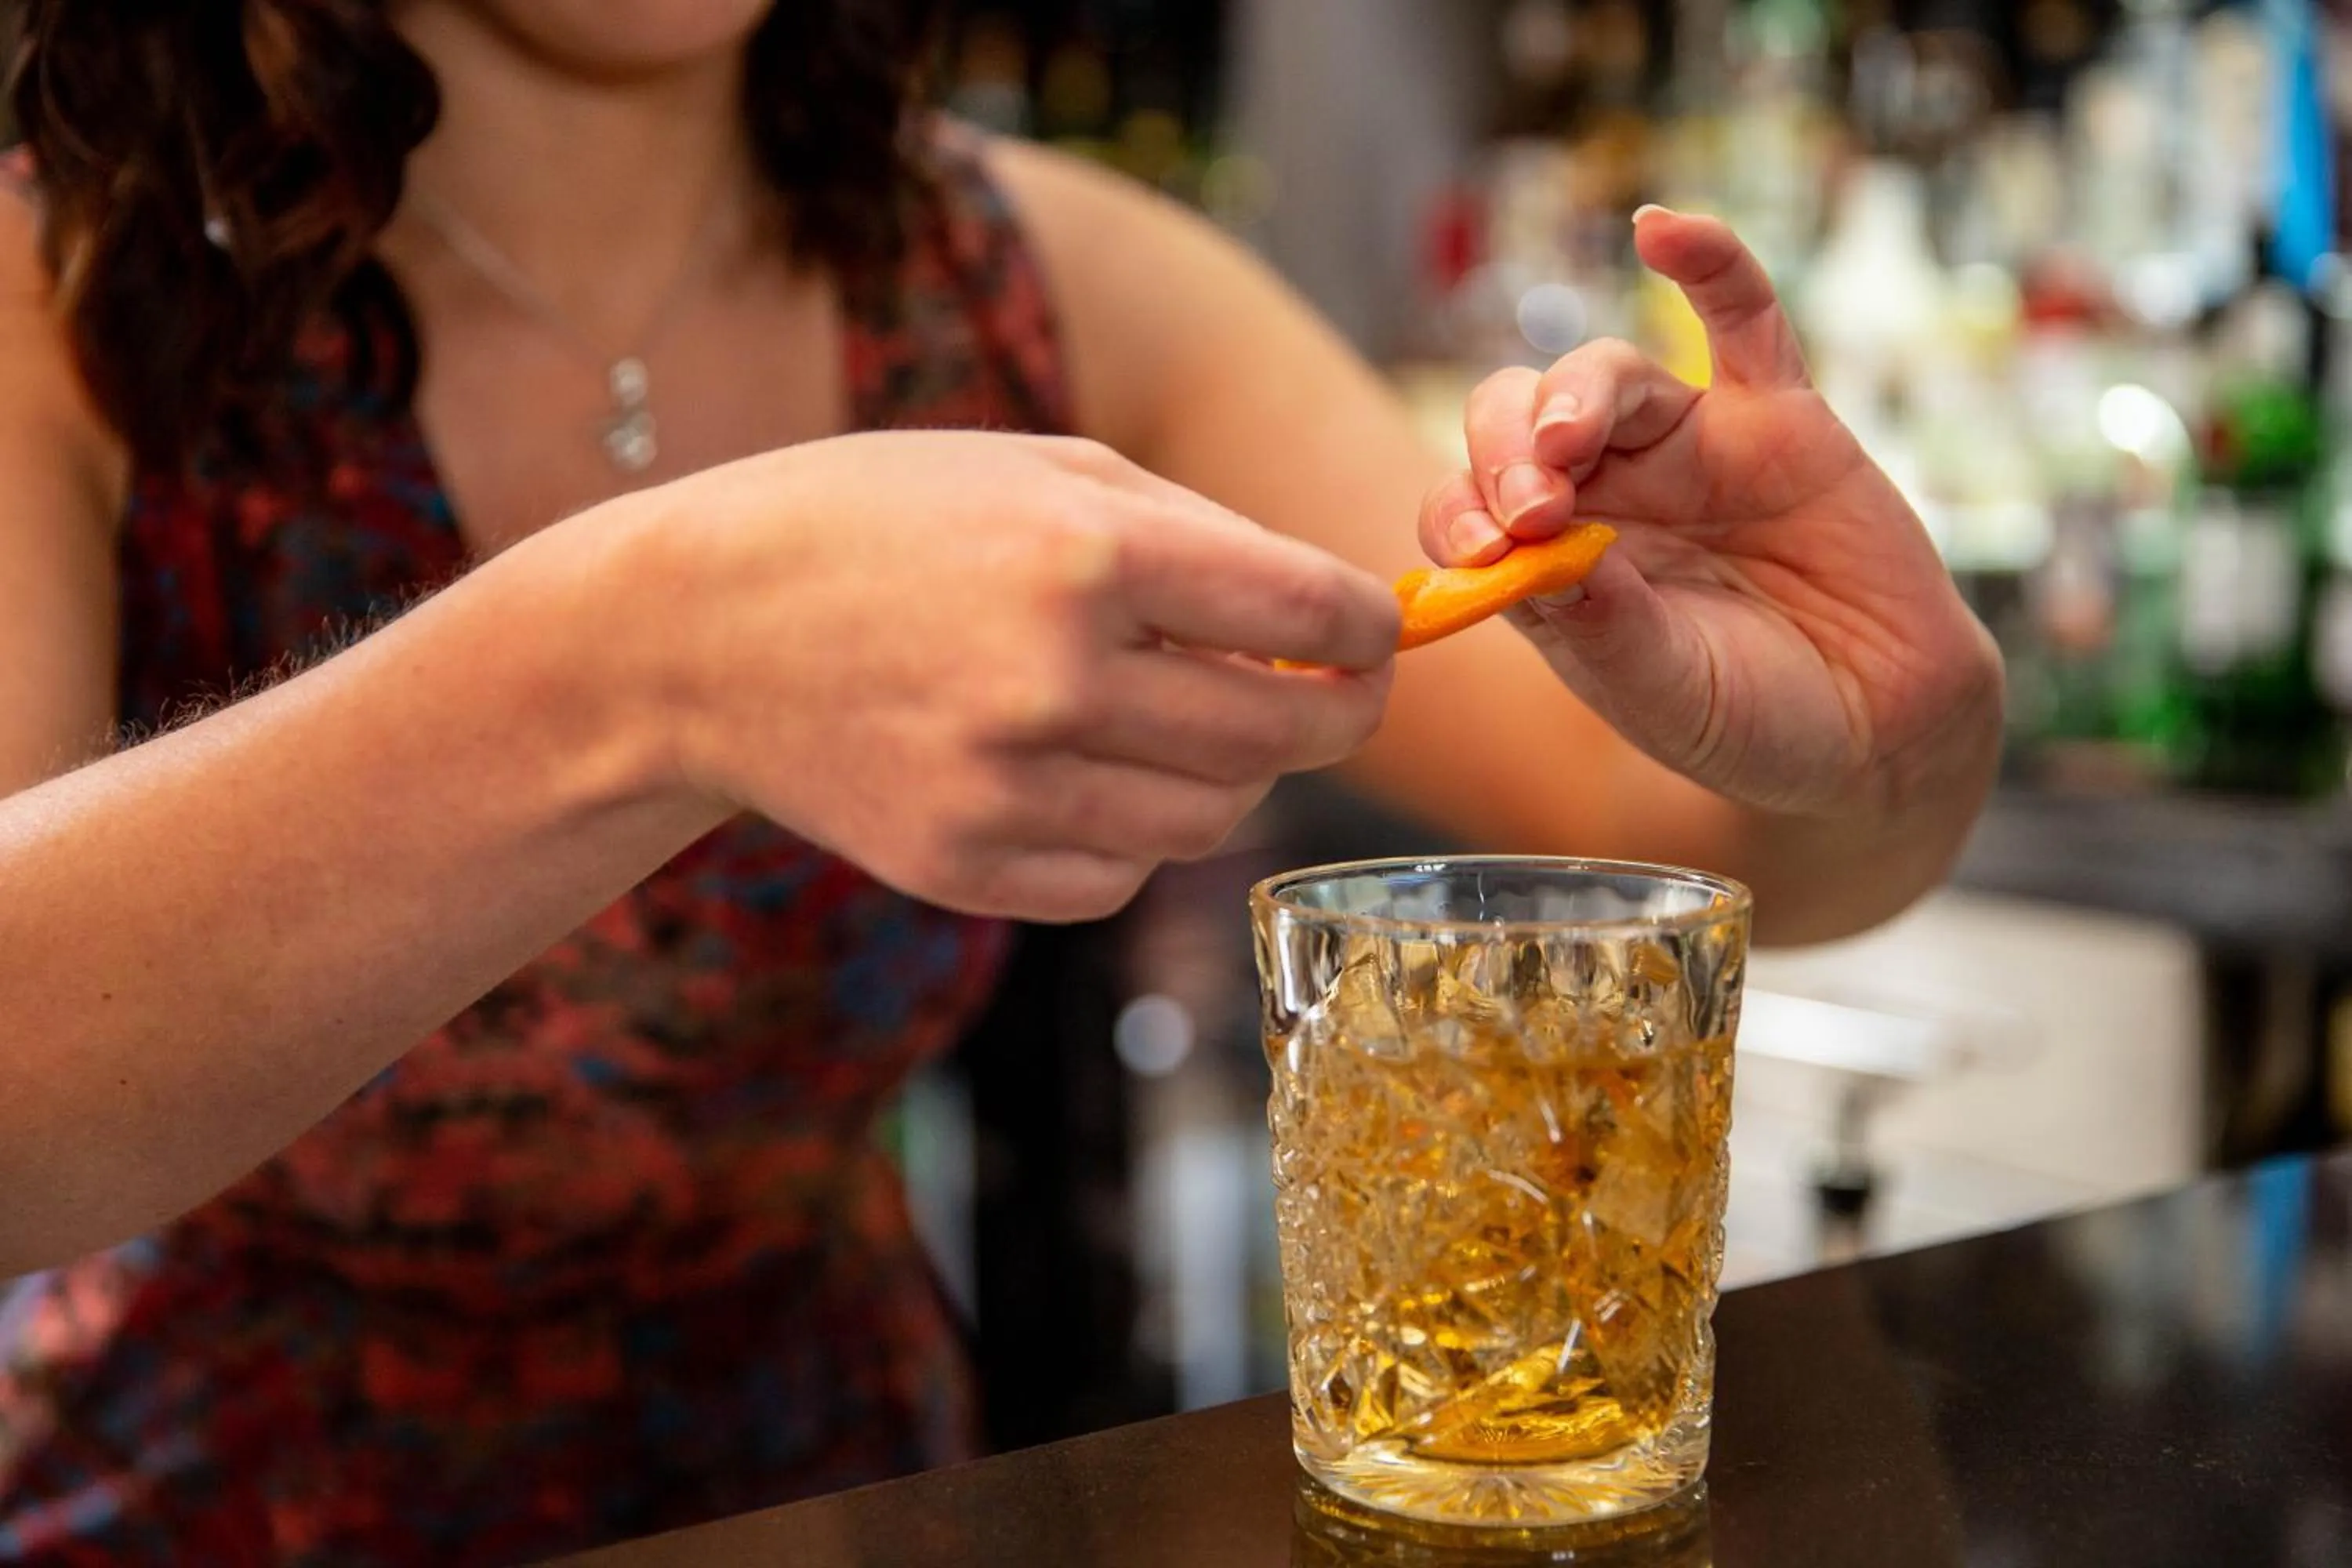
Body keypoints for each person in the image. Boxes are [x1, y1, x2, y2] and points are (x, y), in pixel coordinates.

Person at [0, 1, 2002, 1562]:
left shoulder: (1036, 274)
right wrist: (649, 646)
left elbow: (1696, 831)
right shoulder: (65, 289)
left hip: (851, 1497)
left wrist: (1882, 728)